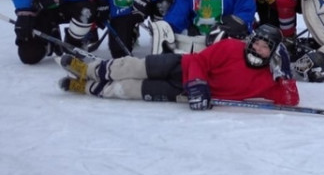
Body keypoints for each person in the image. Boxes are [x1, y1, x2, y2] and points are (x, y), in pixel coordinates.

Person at [58, 24, 299, 109]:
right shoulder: (231, 47)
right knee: (130, 67)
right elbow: (199, 61)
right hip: (179, 67)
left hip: (181, 93)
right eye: (257, 42)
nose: (257, 48)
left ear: (273, 53)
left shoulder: (267, 81)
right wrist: (198, 84)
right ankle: (88, 70)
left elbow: (290, 100)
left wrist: (285, 71)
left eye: (265, 47)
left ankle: (86, 87)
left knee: (129, 90)